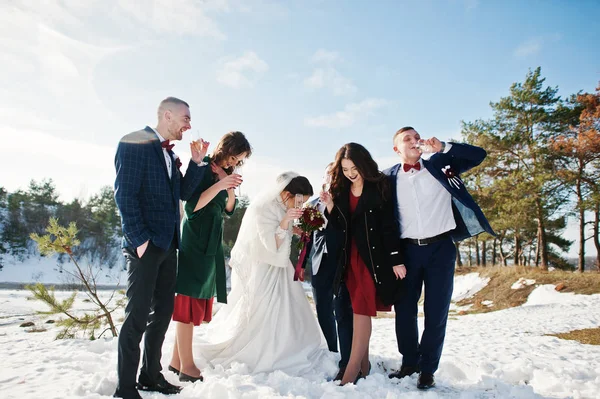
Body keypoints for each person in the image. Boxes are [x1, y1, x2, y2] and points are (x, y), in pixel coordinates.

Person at [384, 126, 495, 390]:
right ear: (396, 148)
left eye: (416, 137)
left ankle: (427, 369)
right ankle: (409, 361)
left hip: (441, 250)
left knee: (436, 311)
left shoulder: (440, 163)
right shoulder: (386, 178)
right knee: (405, 310)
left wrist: (443, 147)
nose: (414, 141)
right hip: (407, 252)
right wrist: (392, 257)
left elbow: (479, 155)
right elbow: (384, 221)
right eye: (407, 139)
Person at [113, 97, 209, 399]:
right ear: (167, 115)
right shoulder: (134, 143)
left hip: (169, 247)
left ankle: (150, 376)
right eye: (186, 118)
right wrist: (139, 240)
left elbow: (182, 192)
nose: (189, 125)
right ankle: (125, 389)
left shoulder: (170, 155)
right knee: (137, 316)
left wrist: (195, 163)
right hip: (145, 245)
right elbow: (124, 196)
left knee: (163, 312)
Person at [196, 172, 333, 376]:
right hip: (264, 268)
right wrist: (286, 221)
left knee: (291, 310)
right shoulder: (261, 208)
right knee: (263, 313)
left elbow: (285, 232)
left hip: (281, 267)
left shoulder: (284, 206)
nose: (300, 205)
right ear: (286, 194)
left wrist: (296, 229)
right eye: (298, 200)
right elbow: (271, 244)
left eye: (303, 202)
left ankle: (291, 347)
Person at [320, 143, 406, 385]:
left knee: (361, 309)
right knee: (357, 307)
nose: (350, 173)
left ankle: (350, 374)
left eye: (354, 167)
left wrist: (396, 259)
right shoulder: (341, 189)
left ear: (364, 164)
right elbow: (339, 225)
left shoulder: (380, 185)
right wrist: (329, 206)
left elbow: (389, 225)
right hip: (349, 258)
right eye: (345, 169)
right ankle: (364, 366)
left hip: (372, 258)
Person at [168, 131, 251, 383]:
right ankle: (187, 367)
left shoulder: (224, 173)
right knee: (187, 300)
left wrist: (229, 186)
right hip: (194, 240)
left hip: (211, 242)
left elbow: (228, 209)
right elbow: (191, 208)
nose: (234, 163)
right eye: (234, 157)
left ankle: (175, 361)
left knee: (195, 300)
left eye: (240, 161)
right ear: (226, 148)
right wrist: (220, 184)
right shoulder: (205, 168)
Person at [303, 163, 353, 381]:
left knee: (343, 310)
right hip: (318, 262)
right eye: (328, 174)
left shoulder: (346, 201)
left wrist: (332, 206)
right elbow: (308, 235)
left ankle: (348, 355)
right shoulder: (312, 203)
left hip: (342, 261)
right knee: (322, 308)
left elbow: (346, 229)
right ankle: (331, 350)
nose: (331, 178)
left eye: (336, 174)